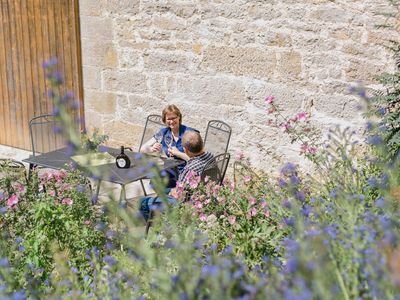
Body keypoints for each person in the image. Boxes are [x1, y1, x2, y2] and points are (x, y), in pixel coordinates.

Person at [139, 130, 215, 221]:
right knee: (159, 187)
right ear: (202, 144)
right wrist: (178, 153)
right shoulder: (210, 157)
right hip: (202, 195)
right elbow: (193, 159)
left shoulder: (189, 170)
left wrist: (171, 191)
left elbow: (178, 194)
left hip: (183, 204)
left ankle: (156, 226)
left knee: (142, 202)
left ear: (185, 150)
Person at [141, 104, 198, 187]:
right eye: (168, 119)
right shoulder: (164, 132)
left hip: (185, 174)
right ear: (165, 120)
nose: (171, 121)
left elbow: (195, 160)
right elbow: (143, 149)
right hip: (170, 171)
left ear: (179, 117)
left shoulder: (188, 133)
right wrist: (152, 149)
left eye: (174, 118)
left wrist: (178, 153)